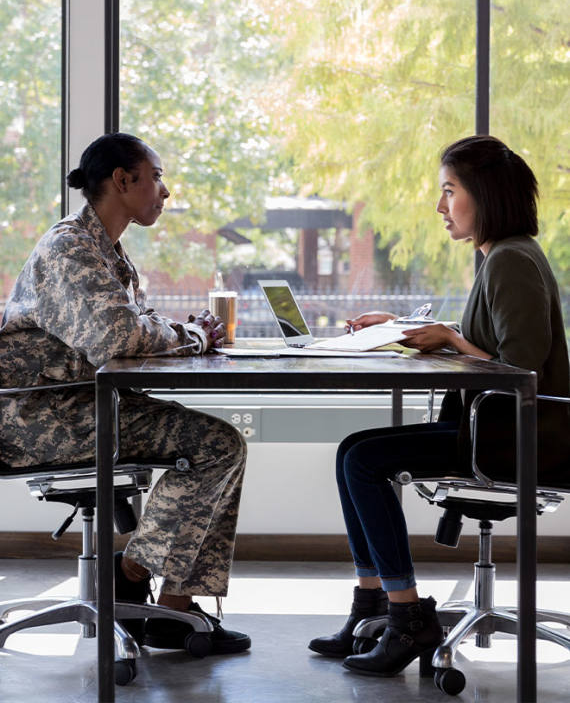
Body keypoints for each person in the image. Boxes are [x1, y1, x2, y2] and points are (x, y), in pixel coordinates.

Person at [309, 134, 570, 678]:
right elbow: (490, 341)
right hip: (491, 428)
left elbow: (520, 374)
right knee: (353, 452)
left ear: (486, 194)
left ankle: (405, 618)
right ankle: (373, 606)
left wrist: (450, 343)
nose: (440, 206)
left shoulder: (510, 261)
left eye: (450, 191)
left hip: (510, 439)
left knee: (361, 460)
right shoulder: (500, 256)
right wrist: (406, 328)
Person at [0, 132, 251, 654]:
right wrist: (195, 336)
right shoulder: (69, 246)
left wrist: (180, 334)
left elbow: (128, 329)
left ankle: (169, 612)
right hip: (39, 416)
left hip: (79, 403)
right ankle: (137, 576)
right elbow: (116, 337)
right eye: (156, 177)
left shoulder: (104, 251)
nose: (164, 191)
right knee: (217, 445)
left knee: (216, 442)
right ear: (122, 180)